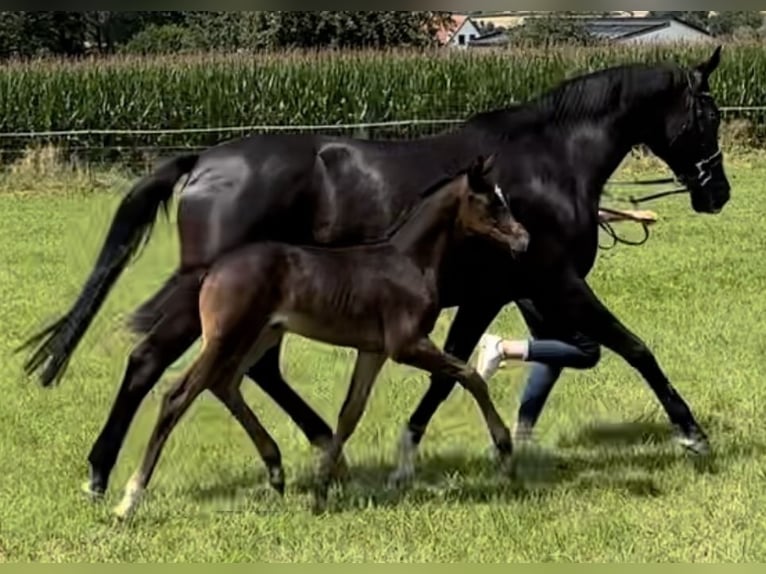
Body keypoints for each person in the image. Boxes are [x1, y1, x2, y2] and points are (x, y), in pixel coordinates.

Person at [475, 207, 658, 443]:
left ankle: (522, 434)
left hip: (523, 281)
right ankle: (502, 348)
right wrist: (630, 215)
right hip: (542, 281)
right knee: (586, 351)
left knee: (552, 352)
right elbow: (577, 210)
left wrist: (628, 216)